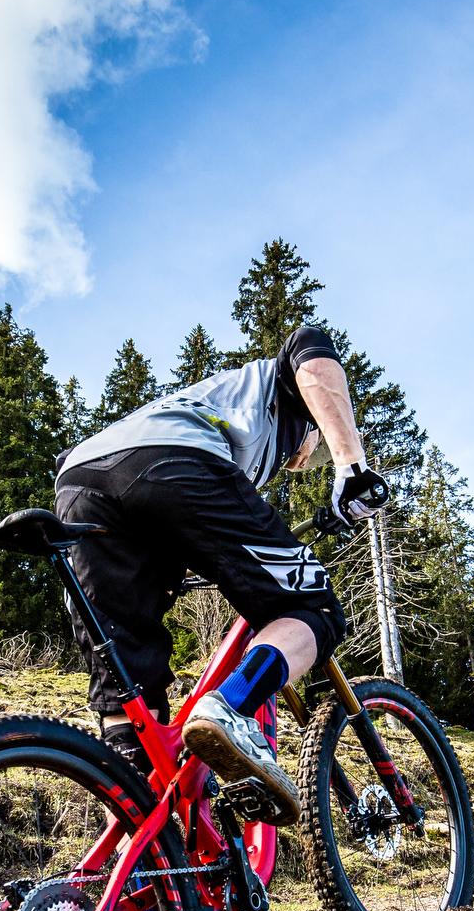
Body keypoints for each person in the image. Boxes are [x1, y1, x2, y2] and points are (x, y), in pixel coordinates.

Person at [52, 325, 389, 824]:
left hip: (79, 482)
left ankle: (133, 879)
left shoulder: (203, 416)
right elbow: (311, 354)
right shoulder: (276, 392)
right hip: (171, 460)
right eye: (312, 445)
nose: (306, 456)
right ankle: (232, 706)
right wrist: (350, 465)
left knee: (133, 721)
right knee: (310, 608)